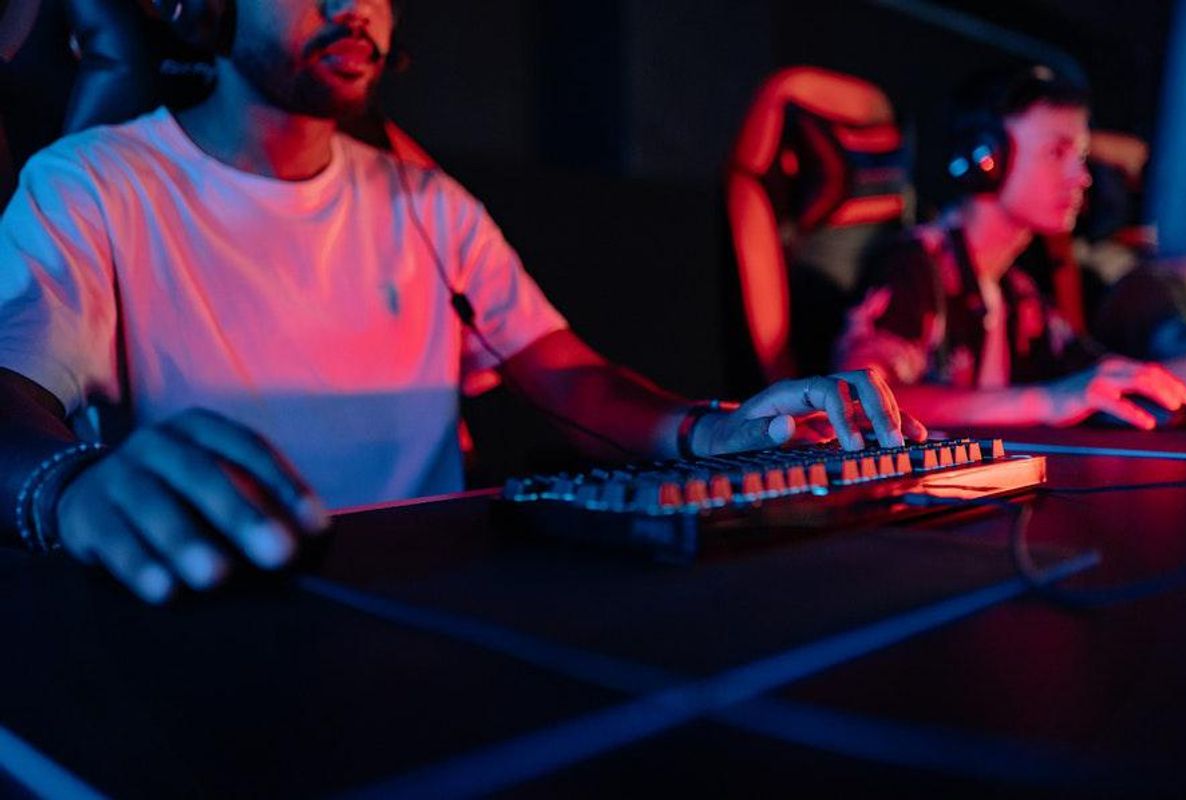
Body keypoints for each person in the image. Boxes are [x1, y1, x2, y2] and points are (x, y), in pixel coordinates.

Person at [0, 0, 924, 604]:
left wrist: (713, 430)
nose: (351, 10)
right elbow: (10, 397)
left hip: (443, 598)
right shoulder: (94, 183)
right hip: (225, 606)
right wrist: (64, 486)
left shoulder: (424, 200)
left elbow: (564, 369)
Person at [835, 65, 1186, 429]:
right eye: (1057, 153)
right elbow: (858, 400)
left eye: (1081, 157)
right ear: (985, 160)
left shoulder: (1017, 296)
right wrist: (1047, 400)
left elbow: (1109, 380)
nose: (1081, 177)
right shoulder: (914, 267)